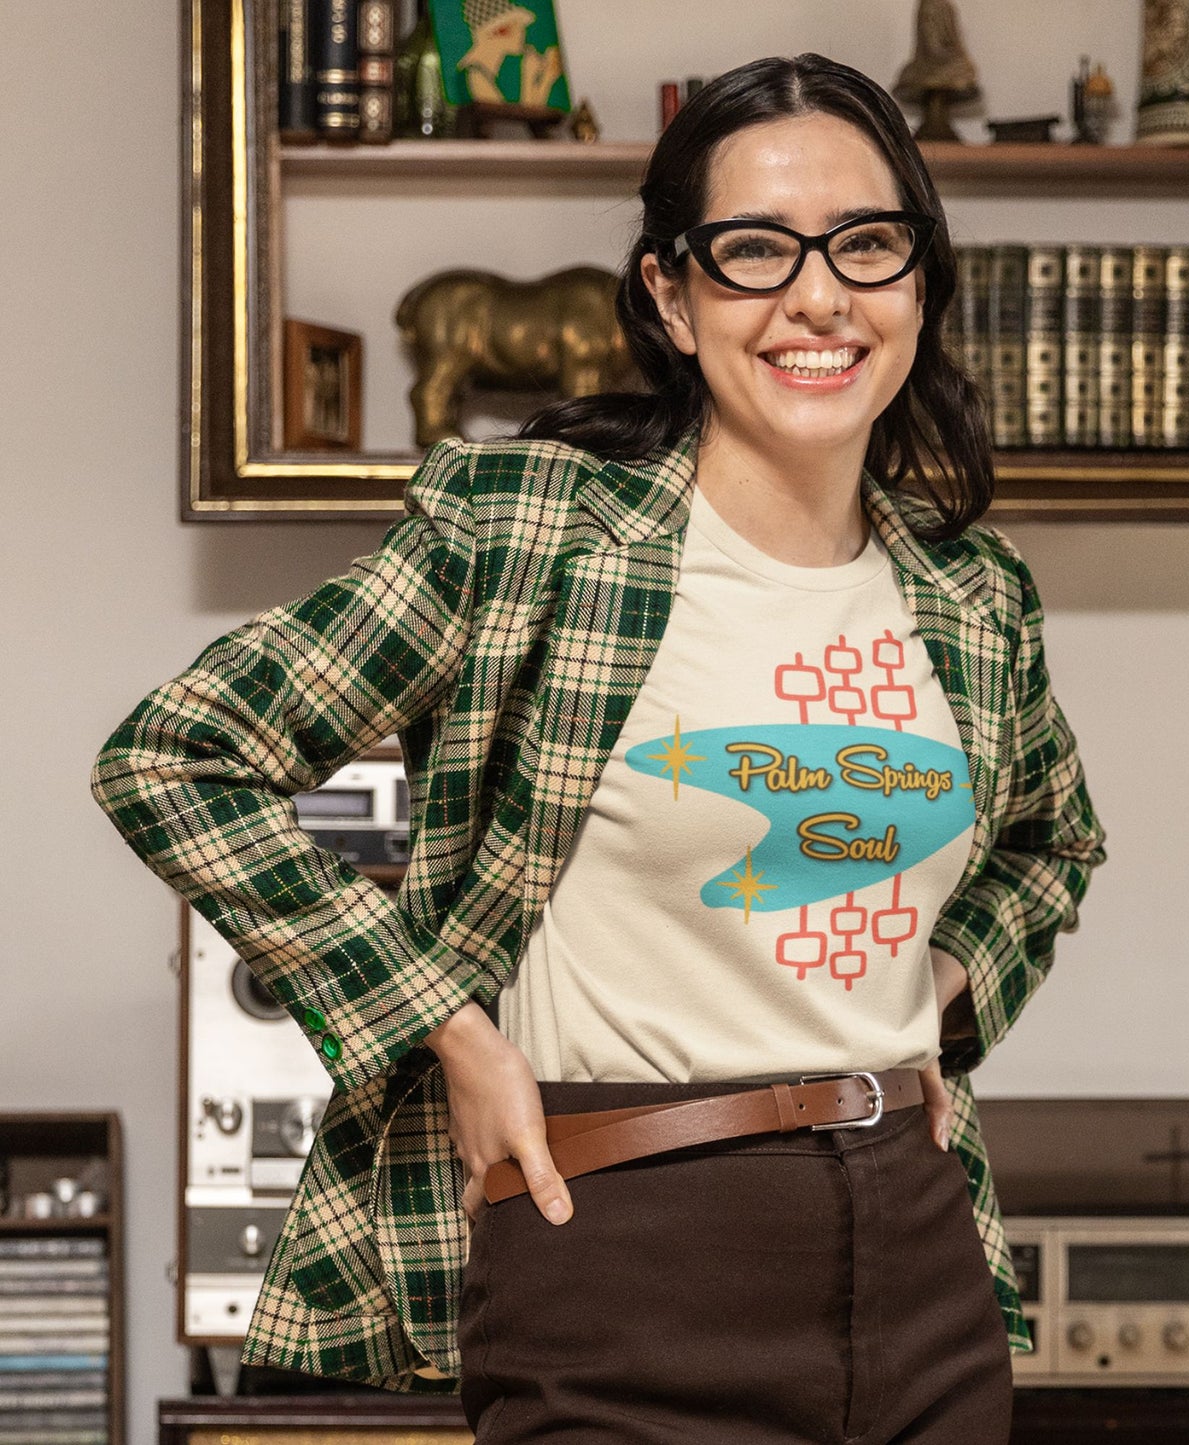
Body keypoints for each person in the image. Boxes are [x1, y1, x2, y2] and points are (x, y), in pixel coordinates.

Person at [92, 52, 1104, 1444]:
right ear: (671, 299)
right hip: (622, 1245)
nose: (819, 295)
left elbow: (1055, 842)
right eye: (755, 252)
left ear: (919, 283)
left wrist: (933, 994)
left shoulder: (970, 590)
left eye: (867, 245)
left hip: (920, 1255)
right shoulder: (536, 533)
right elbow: (175, 754)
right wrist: (441, 1023)